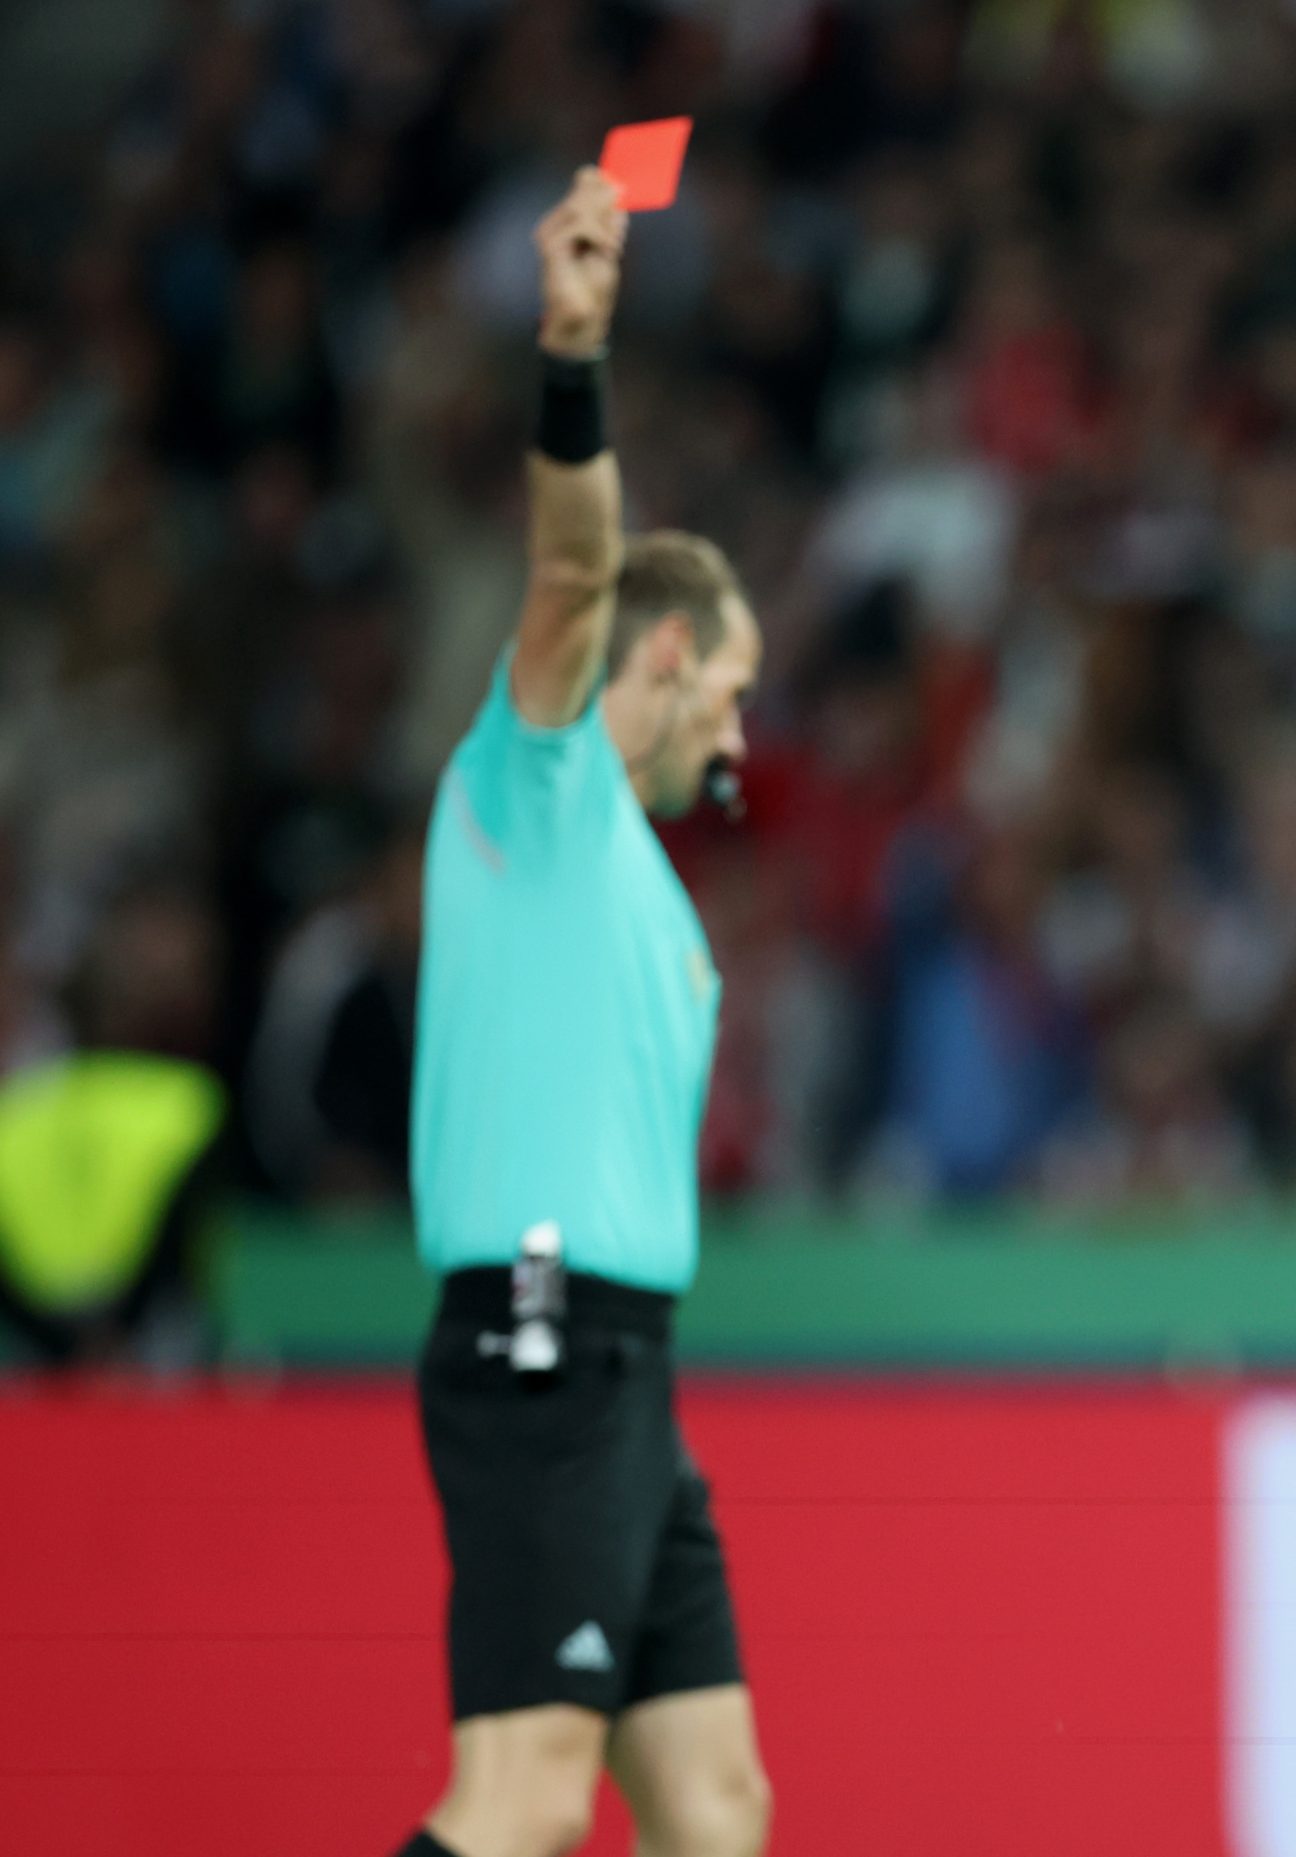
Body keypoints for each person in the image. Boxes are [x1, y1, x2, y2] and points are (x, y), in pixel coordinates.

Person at [394, 168, 771, 1857]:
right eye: (735, 690)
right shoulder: (533, 776)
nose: (743, 745)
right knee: (524, 1802)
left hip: (622, 1365)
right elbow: (570, 567)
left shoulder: (628, 871)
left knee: (715, 1803)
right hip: (540, 1335)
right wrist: (573, 351)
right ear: (669, 649)